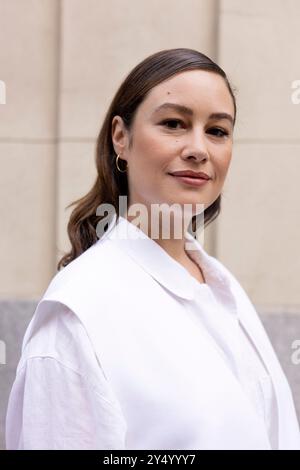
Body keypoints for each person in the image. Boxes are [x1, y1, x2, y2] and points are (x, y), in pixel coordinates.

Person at [6, 48, 300, 450]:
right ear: (121, 138)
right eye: (174, 123)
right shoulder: (77, 315)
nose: (200, 149)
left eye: (217, 130)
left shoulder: (222, 288)